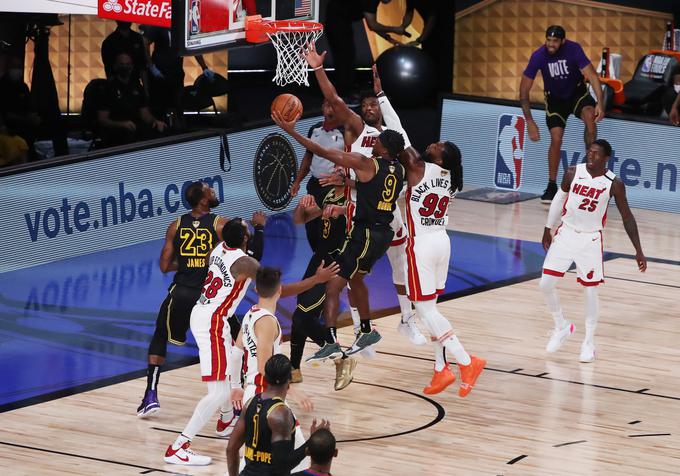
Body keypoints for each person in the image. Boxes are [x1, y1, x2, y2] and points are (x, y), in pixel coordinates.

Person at [163, 222, 338, 465]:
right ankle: (179, 446)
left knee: (227, 375)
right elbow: (275, 289)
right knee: (219, 391)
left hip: (205, 313)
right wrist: (316, 280)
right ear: (246, 239)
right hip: (213, 321)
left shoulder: (217, 249)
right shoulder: (246, 264)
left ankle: (226, 420)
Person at [304, 41, 426, 349]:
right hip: (356, 209)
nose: (369, 108)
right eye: (365, 104)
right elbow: (333, 98)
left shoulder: (392, 140)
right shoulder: (359, 129)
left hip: (386, 210)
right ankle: (362, 329)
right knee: (351, 275)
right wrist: (318, 68)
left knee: (401, 265)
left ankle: (407, 319)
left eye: (374, 104)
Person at [375, 65, 486, 397]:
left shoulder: (418, 166)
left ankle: (466, 361)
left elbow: (399, 131)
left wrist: (381, 96)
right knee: (432, 309)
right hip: (443, 243)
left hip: (421, 245)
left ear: (441, 157)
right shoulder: (451, 179)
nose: (433, 143)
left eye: (439, 144)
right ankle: (441, 369)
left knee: (423, 310)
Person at [273, 107, 406, 361]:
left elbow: (323, 152)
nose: (373, 143)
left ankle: (331, 342)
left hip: (365, 234)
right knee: (355, 280)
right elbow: (372, 189)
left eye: (377, 141)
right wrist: (348, 183)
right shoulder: (397, 170)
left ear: (385, 149)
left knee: (334, 285)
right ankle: (366, 330)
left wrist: (291, 132)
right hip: (382, 235)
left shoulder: (366, 163)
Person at [136, 182, 265, 418]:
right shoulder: (220, 224)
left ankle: (150, 396)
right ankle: (243, 393)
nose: (213, 190)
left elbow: (165, 266)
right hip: (207, 296)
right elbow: (242, 248)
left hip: (180, 292)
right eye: (209, 189)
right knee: (237, 340)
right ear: (203, 199)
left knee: (159, 336)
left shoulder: (175, 225)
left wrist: (186, 264)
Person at [540, 139, 647, 362]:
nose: (590, 156)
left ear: (606, 158)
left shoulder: (614, 183)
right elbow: (559, 199)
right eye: (589, 152)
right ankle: (561, 326)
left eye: (596, 154)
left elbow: (627, 217)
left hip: (590, 240)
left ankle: (588, 342)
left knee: (590, 291)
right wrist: (547, 228)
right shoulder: (572, 172)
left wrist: (638, 250)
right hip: (566, 233)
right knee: (545, 284)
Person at [231, 267, 314, 472]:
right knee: (294, 460)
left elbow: (236, 351)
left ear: (257, 289)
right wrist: (292, 390)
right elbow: (263, 365)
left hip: (253, 391)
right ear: (279, 290)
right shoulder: (267, 321)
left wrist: (235, 385)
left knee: (255, 460)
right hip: (266, 392)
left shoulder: (251, 313)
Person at [520, 25, 604, 203]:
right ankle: (551, 185)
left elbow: (593, 76)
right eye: (548, 40)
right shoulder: (538, 56)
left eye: (555, 41)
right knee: (556, 138)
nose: (551, 44)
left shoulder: (573, 49)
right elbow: (523, 92)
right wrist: (529, 121)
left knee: (590, 118)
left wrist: (600, 104)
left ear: (562, 41)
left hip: (577, 94)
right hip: (555, 100)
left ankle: (590, 174)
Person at [290, 165, 357, 389]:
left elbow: (363, 215)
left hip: (336, 263)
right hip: (319, 257)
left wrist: (343, 210)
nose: (336, 170)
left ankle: (342, 359)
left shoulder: (353, 201)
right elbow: (300, 220)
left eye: (341, 169)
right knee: (301, 311)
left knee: (301, 316)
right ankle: (294, 369)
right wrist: (302, 205)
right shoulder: (328, 194)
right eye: (335, 167)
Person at [227, 354, 331, 476]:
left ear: (265, 377)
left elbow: (231, 449)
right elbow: (282, 467)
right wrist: (311, 442)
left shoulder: (250, 403)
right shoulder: (281, 413)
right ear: (289, 380)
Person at [324, 0, 409, 103]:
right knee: (345, 56)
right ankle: (344, 94)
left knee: (347, 55)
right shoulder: (371, 1)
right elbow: (373, 25)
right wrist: (395, 29)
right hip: (336, 20)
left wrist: (389, 38)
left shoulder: (374, 2)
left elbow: (373, 25)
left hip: (342, 21)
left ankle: (345, 89)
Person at [289, 99, 344, 252]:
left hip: (333, 186)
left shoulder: (346, 131)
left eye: (333, 106)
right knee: (311, 226)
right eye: (327, 105)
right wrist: (297, 181)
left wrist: (341, 171)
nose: (330, 109)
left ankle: (334, 255)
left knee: (330, 222)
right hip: (314, 185)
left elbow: (350, 157)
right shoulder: (314, 129)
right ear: (322, 108)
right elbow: (308, 157)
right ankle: (318, 255)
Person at [95, 52, 167, 147]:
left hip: (135, 127)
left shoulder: (137, 87)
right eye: (122, 64)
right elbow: (102, 119)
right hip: (115, 131)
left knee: (161, 131)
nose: (125, 67)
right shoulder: (107, 88)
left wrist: (155, 121)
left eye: (128, 64)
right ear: (115, 66)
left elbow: (145, 114)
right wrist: (122, 124)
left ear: (132, 67)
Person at [101, 21, 148, 90]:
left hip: (135, 84)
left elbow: (142, 66)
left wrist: (146, 90)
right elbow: (108, 69)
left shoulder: (138, 38)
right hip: (116, 86)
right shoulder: (109, 41)